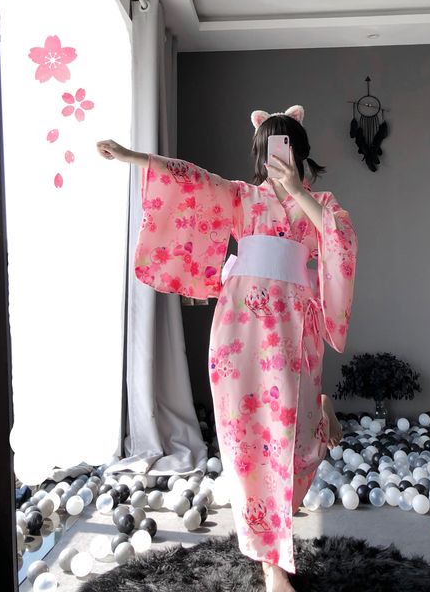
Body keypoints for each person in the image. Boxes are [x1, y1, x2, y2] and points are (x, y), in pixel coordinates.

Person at [96, 104, 358, 592]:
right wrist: (135, 157)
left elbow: (339, 239)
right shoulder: (243, 198)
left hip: (293, 328)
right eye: (269, 148)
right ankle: (271, 564)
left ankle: (319, 414)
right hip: (241, 327)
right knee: (248, 440)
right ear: (260, 154)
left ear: (298, 151)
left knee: (298, 445)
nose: (276, 156)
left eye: (286, 146)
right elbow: (191, 180)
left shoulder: (320, 202)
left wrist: (299, 192)